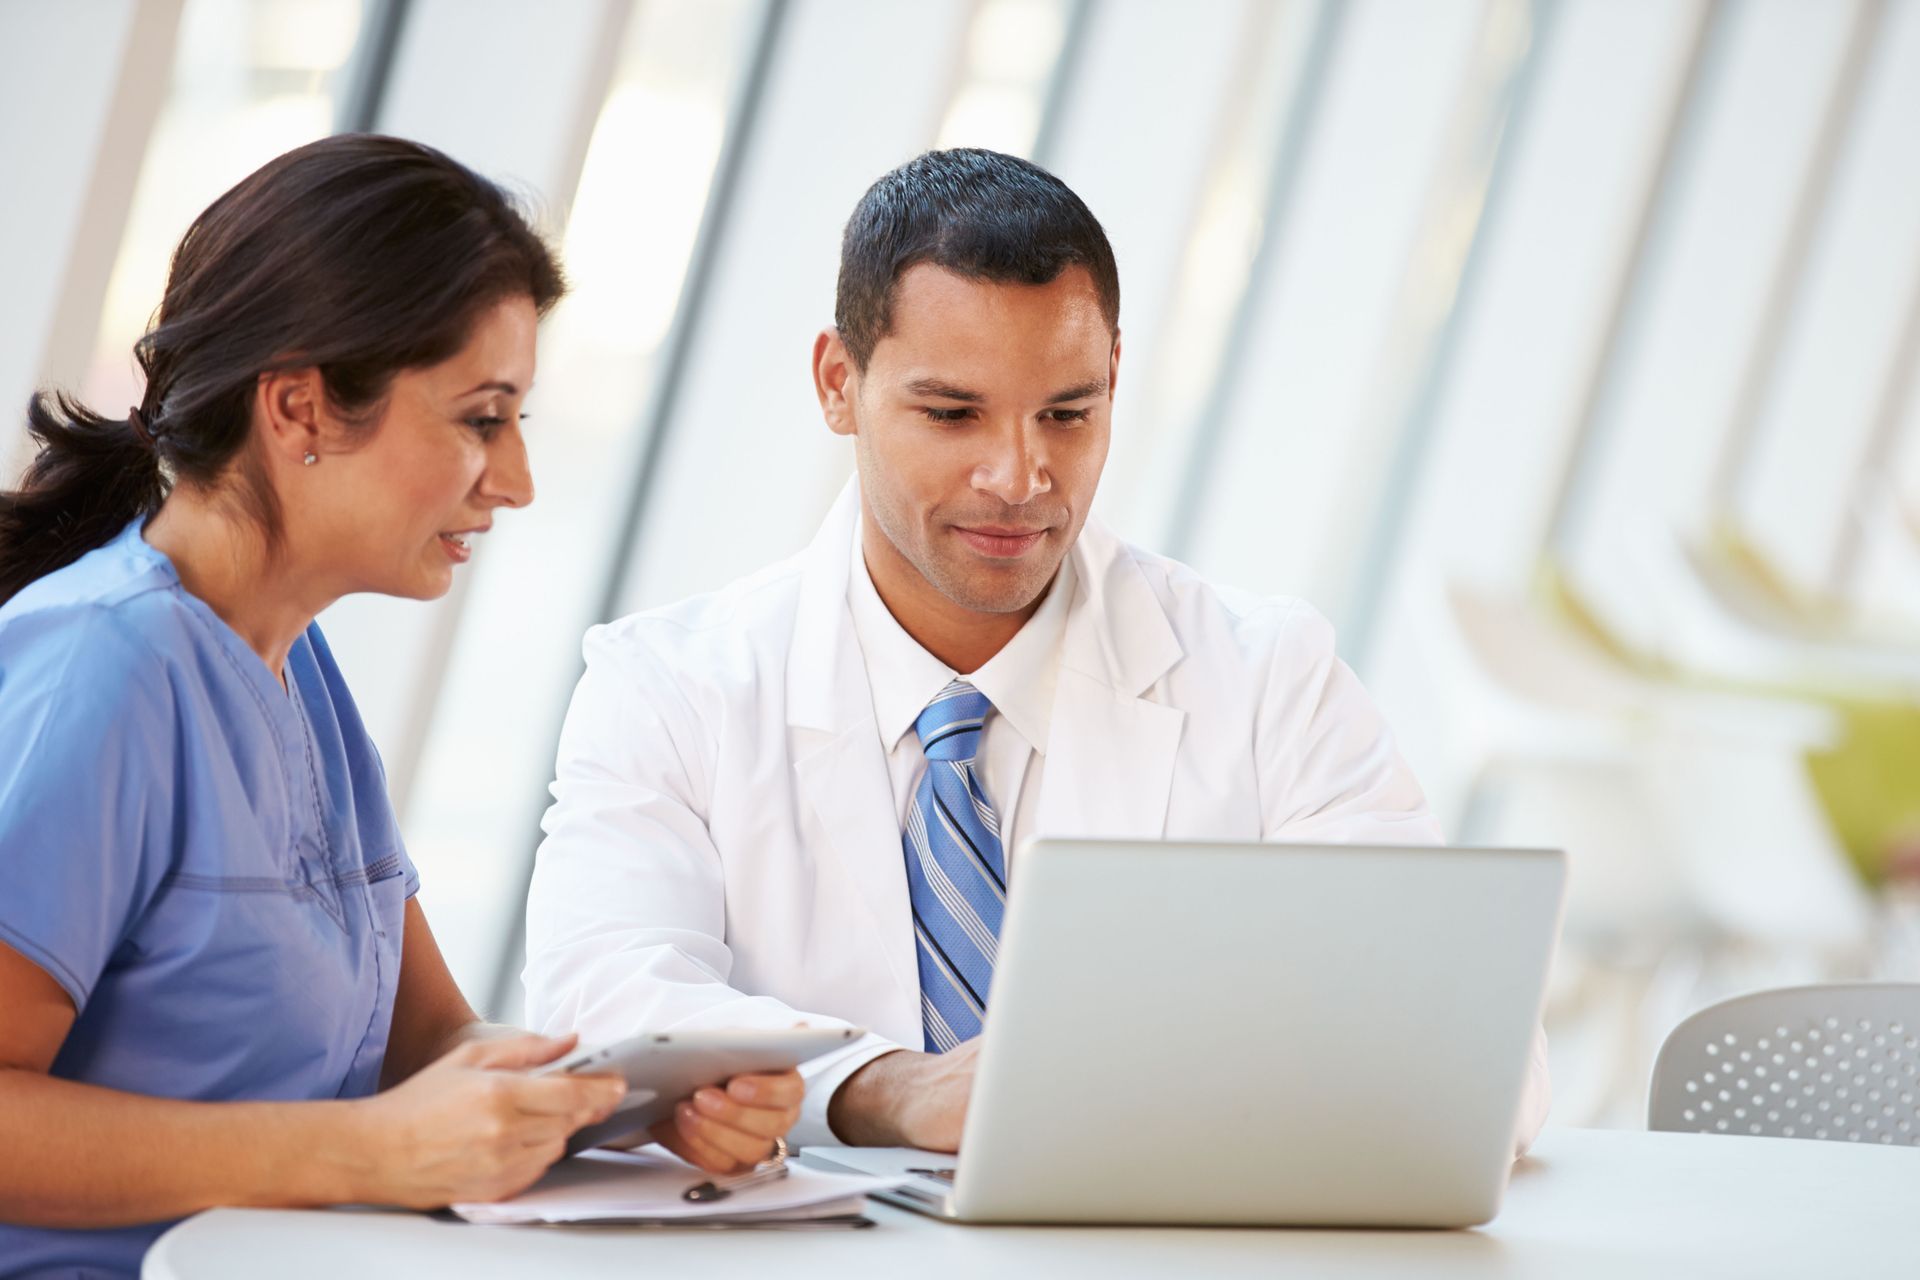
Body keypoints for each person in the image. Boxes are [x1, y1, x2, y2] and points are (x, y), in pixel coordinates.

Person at [523, 148, 1550, 1156]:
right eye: (952, 412)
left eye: (1067, 414)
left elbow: (1480, 1063)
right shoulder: (668, 685)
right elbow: (605, 997)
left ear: (1114, 376)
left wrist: (1113, 1101)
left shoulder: (1266, 676)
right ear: (840, 382)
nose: (1020, 476)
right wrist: (886, 1090)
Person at [0, 135, 799, 1280]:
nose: (517, 479)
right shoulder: (101, 670)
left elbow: (428, 1047)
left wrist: (621, 1100)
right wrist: (363, 1150)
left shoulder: (299, 674)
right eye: (482, 417)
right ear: (300, 409)